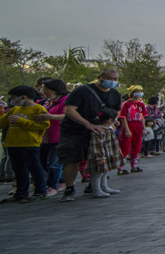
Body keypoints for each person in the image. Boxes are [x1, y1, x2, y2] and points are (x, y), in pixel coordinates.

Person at [0, 86, 50, 203]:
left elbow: (43, 125)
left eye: (13, 98)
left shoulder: (38, 109)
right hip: (13, 144)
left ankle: (40, 191)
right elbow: (0, 122)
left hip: (29, 143)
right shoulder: (15, 109)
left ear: (23, 97)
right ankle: (21, 193)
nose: (12, 100)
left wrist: (21, 121)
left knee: (34, 167)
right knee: (18, 169)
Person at [56, 68, 122, 202]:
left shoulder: (114, 94)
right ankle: (69, 189)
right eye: (109, 78)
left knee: (99, 157)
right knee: (72, 158)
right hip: (75, 130)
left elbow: (116, 110)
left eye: (115, 79)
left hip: (99, 131)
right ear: (100, 77)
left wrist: (112, 121)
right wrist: (87, 124)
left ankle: (95, 186)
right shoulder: (82, 91)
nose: (112, 82)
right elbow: (69, 110)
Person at [36, 79, 69, 195]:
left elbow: (68, 115)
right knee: (43, 161)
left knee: (54, 163)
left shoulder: (66, 101)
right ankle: (61, 180)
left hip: (59, 135)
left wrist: (51, 117)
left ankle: (52, 186)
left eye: (46, 89)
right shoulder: (47, 102)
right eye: (43, 89)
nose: (44, 91)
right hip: (45, 136)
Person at [118, 86, 148, 173]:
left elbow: (143, 117)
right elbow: (123, 117)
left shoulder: (141, 104)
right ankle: (121, 167)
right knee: (125, 146)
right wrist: (127, 130)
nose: (139, 93)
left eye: (140, 91)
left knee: (137, 146)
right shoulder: (126, 104)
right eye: (137, 91)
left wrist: (143, 127)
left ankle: (134, 165)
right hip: (128, 125)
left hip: (138, 125)